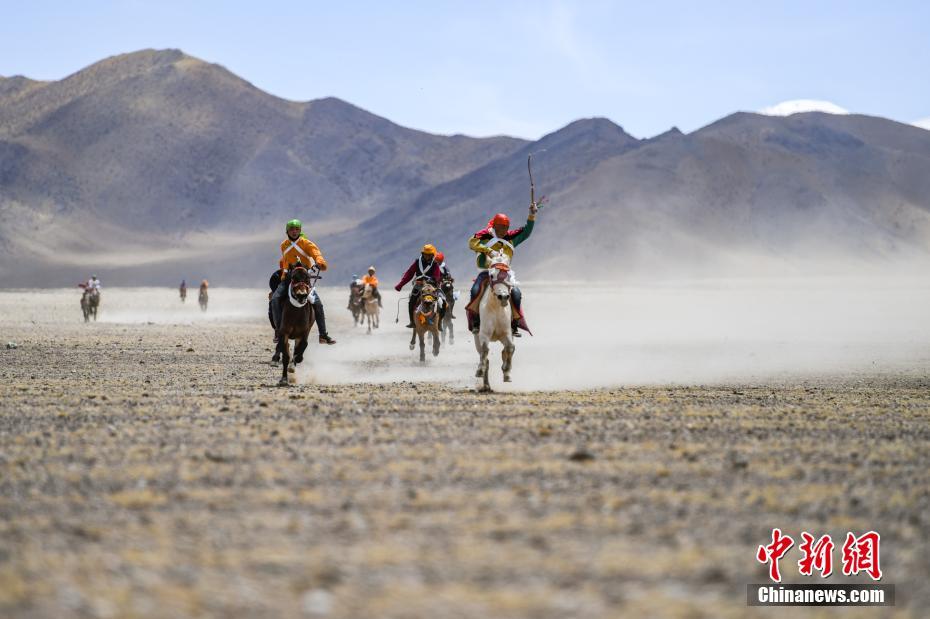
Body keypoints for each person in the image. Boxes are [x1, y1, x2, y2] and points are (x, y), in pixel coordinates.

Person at [466, 203, 538, 337]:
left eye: (506, 227)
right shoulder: (485, 236)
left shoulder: (511, 239)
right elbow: (471, 243)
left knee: (516, 293)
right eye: (501, 227)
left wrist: (532, 215)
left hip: (505, 274)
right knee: (475, 290)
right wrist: (487, 250)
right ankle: (476, 321)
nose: (503, 230)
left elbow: (527, 231)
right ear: (494, 226)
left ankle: (514, 324)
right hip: (486, 273)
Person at [270, 219, 336, 345]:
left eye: (296, 229)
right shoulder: (283, 245)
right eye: (291, 229)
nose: (294, 232)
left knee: (318, 304)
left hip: (304, 277)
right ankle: (279, 331)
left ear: (300, 230)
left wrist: (319, 263)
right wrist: (284, 272)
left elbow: (316, 254)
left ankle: (323, 335)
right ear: (287, 231)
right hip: (289, 277)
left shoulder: (306, 243)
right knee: (275, 299)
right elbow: (285, 260)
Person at [395, 244, 442, 328]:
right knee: (412, 301)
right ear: (422, 254)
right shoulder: (417, 262)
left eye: (429, 254)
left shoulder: (435, 264)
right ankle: (412, 322)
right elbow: (409, 274)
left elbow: (437, 276)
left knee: (440, 302)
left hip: (430, 286)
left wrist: (432, 280)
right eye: (425, 254)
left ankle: (439, 322)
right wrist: (400, 285)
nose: (427, 256)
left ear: (432, 255)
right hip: (418, 285)